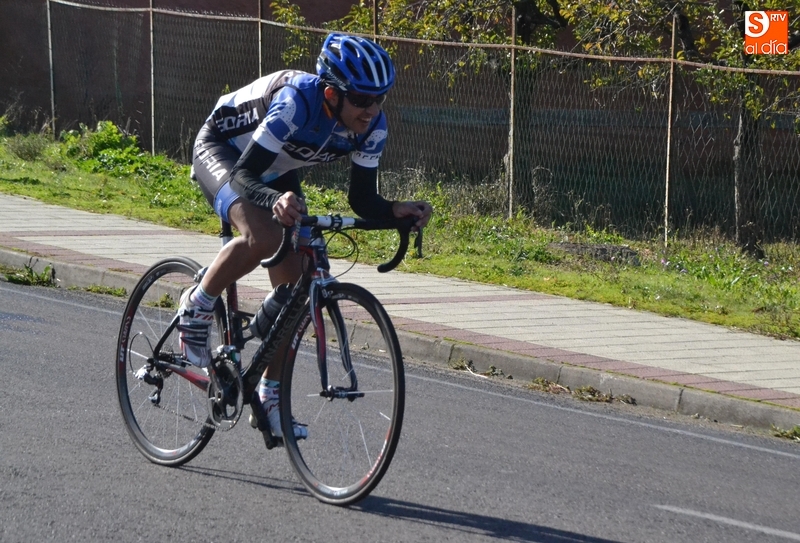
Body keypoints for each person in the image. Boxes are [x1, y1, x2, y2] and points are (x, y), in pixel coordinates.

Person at [178, 33, 432, 439]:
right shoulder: (296, 101)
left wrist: (393, 210)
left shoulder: (372, 126)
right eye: (361, 99)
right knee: (263, 235)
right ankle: (197, 305)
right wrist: (274, 201)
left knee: (296, 290)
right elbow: (245, 174)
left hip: (276, 167)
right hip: (226, 152)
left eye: (379, 98)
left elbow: (361, 198)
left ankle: (270, 396)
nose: (371, 110)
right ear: (331, 93)